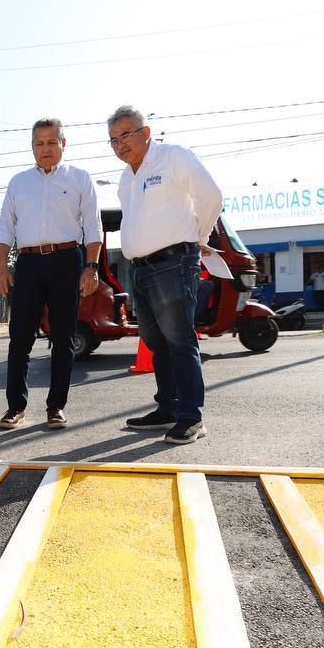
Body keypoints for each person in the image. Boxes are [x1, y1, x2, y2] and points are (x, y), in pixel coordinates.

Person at [109, 105, 222, 445]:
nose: (119, 145)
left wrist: (197, 239)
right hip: (140, 269)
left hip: (174, 263)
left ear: (146, 133)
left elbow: (211, 196)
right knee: (157, 343)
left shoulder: (173, 157)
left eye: (125, 135)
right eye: (113, 140)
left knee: (179, 340)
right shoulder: (127, 177)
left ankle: (191, 416)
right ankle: (168, 408)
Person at [0, 119, 101, 431]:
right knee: (20, 337)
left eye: (51, 142)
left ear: (63, 144)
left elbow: (93, 227)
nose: (45, 148)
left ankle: (56, 406)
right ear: (32, 147)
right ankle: (15, 407)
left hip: (68, 259)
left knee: (64, 336)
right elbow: (5, 228)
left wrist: (91, 267)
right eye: (39, 143)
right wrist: (2, 266)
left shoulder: (80, 179)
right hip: (28, 263)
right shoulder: (18, 183)